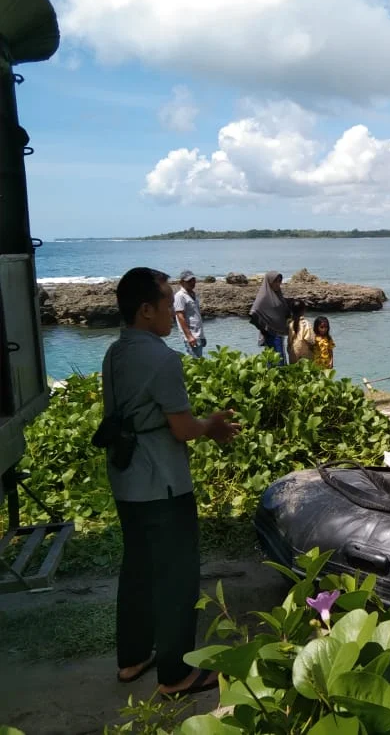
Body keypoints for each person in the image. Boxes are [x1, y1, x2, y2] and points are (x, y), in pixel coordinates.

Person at [104, 267, 240, 695]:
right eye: (166, 303)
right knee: (177, 575)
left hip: (125, 480)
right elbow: (181, 427)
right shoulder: (163, 358)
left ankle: (132, 658)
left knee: (138, 569)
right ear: (146, 310)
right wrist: (212, 424)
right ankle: (176, 673)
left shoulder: (113, 353)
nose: (171, 310)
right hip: (162, 482)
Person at [249, 271, 290, 366]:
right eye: (275, 281)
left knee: (280, 358)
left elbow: (285, 311)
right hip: (270, 334)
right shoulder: (264, 296)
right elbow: (254, 312)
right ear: (269, 282)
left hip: (279, 333)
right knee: (275, 360)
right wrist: (264, 328)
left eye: (279, 281)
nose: (278, 284)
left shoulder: (278, 294)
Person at [173, 270, 205, 358]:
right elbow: (180, 316)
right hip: (191, 335)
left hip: (198, 334)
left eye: (193, 280)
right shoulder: (180, 296)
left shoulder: (192, 294)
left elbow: (195, 315)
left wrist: (202, 335)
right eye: (189, 281)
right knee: (194, 362)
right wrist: (189, 336)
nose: (192, 282)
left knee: (199, 360)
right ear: (181, 282)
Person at [287, 300, 315, 364]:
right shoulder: (306, 324)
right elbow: (309, 341)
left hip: (293, 354)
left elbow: (289, 342)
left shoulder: (291, 324)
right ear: (303, 311)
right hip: (305, 355)